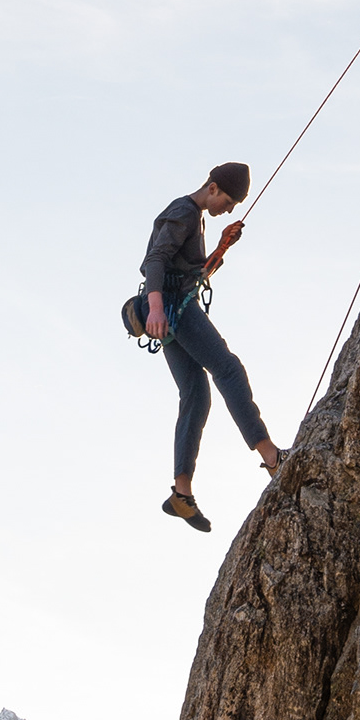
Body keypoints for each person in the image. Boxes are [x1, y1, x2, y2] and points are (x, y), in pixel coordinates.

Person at [139, 164, 282, 531]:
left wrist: (222, 247)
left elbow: (195, 272)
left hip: (170, 310)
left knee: (196, 394)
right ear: (213, 188)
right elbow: (156, 258)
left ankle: (181, 494)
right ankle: (271, 456)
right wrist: (155, 306)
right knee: (228, 368)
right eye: (230, 202)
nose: (229, 210)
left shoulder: (196, 217)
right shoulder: (185, 210)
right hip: (172, 307)